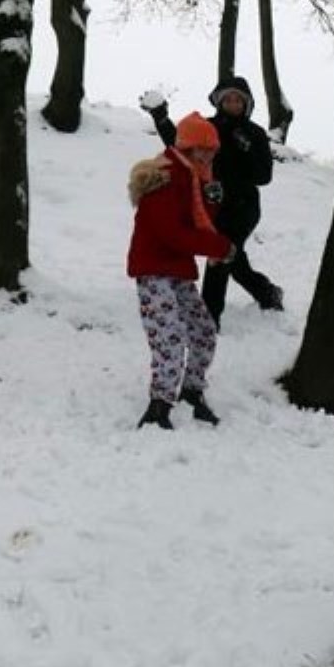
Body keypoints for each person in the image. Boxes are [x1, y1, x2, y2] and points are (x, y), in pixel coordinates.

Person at [140, 76, 282, 327]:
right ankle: (266, 292)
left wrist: (248, 148)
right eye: (228, 98)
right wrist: (161, 118)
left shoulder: (255, 133)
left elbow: (264, 177)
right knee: (233, 259)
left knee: (220, 256)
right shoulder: (207, 126)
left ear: (247, 103)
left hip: (243, 207)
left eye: (238, 99)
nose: (233, 103)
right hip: (213, 203)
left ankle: (207, 319)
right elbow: (179, 146)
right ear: (219, 101)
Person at [127, 112, 233, 430]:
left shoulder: (195, 177)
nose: (210, 154)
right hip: (154, 268)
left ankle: (191, 390)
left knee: (202, 331)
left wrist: (212, 200)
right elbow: (170, 232)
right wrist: (219, 248)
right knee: (168, 338)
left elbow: (198, 222)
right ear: (188, 147)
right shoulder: (166, 176)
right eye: (204, 148)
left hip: (177, 269)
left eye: (212, 148)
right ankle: (159, 406)